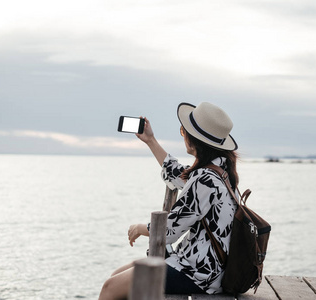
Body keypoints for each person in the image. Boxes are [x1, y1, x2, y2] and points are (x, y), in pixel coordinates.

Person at [98, 102, 240, 299]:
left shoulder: (205, 179)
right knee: (116, 277)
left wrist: (139, 228)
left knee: (110, 288)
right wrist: (150, 140)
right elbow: (179, 174)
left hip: (200, 274)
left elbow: (168, 231)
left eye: (183, 131)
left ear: (195, 140)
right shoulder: (220, 172)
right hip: (205, 267)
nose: (182, 135)